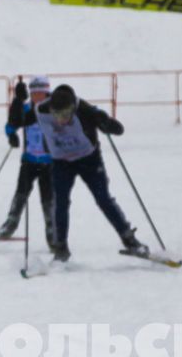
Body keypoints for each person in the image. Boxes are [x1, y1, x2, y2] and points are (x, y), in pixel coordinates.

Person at [36, 83, 149, 262]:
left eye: (65, 114)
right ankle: (61, 248)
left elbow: (118, 129)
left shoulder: (85, 110)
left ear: (73, 108)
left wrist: (105, 122)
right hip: (61, 163)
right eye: (56, 114)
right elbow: (24, 118)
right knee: (60, 202)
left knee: (103, 198)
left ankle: (129, 240)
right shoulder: (42, 110)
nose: (60, 120)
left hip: (89, 159)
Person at [0, 75, 56, 248]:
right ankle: (10, 225)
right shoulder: (25, 108)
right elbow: (11, 124)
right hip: (29, 160)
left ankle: (53, 233)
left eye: (41, 93)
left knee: (48, 198)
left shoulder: (53, 109)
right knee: (20, 194)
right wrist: (12, 135)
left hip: (49, 162)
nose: (37, 96)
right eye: (34, 93)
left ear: (47, 93)